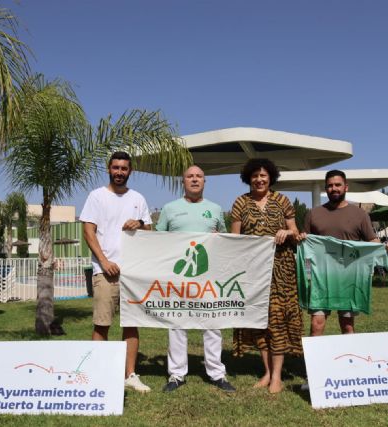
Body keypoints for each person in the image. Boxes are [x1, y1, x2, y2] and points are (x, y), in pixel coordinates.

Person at [155, 165, 236, 393]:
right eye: (189, 176)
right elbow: (157, 241)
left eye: (198, 176)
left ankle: (216, 373)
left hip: (208, 277)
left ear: (204, 181)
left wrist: (218, 238)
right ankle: (177, 374)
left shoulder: (216, 209)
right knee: (177, 323)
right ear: (183, 181)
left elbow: (223, 239)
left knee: (212, 323)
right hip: (178, 277)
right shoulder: (170, 209)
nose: (194, 179)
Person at [80, 151, 152, 393]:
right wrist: (104, 261)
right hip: (105, 272)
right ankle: (97, 373)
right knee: (102, 324)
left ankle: (130, 374)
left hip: (132, 273)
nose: (119, 172)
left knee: (131, 324)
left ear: (130, 171)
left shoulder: (138, 199)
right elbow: (89, 232)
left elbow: (150, 232)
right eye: (116, 168)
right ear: (109, 169)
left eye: (124, 168)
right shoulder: (96, 197)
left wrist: (140, 224)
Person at [230, 158, 303, 394]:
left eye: (263, 176)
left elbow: (296, 232)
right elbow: (235, 240)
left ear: (270, 177)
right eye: (254, 176)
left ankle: (277, 377)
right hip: (254, 271)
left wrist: (287, 231)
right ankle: (267, 371)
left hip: (281, 271)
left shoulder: (282, 201)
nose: (259, 180)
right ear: (248, 179)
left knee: (278, 320)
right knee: (259, 321)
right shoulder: (241, 203)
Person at [302, 169, 388, 336]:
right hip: (321, 278)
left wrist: (385, 248)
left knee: (347, 325)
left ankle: (349, 361)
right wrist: (307, 273)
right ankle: (314, 362)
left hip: (348, 277)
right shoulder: (313, 214)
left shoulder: (360, 214)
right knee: (316, 324)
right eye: (330, 186)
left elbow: (372, 242)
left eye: (338, 185)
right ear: (326, 188)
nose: (334, 188)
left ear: (346, 187)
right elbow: (306, 247)